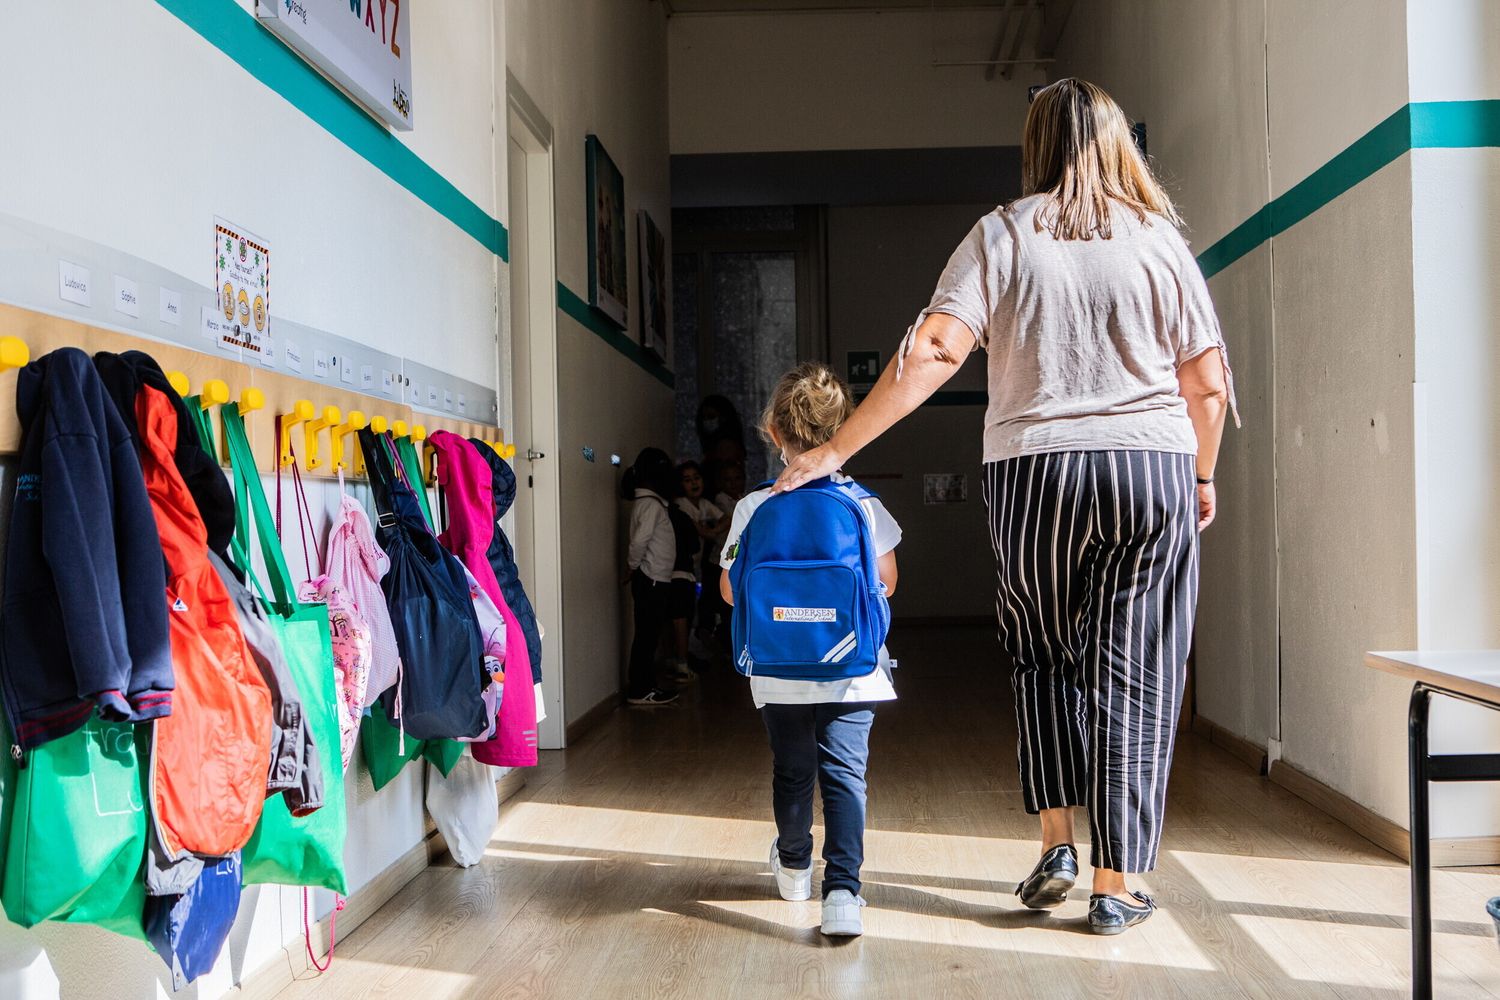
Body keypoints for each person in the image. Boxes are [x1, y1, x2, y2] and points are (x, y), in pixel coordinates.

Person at [774, 78, 1236, 935]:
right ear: (1116, 146)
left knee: (1042, 654)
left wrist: (834, 450)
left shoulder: (1001, 233)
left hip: (1034, 474)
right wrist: (1201, 476)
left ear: (1035, 146)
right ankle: (1116, 883)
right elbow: (1205, 384)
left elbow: (935, 351)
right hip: (1150, 469)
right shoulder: (1160, 243)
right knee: (1139, 675)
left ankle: (1058, 840)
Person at [720, 362, 901, 938]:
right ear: (842, 428)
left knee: (793, 771)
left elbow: (729, 590)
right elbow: (888, 582)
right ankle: (843, 890)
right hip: (852, 667)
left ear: (773, 431)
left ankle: (795, 866)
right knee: (845, 775)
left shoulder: (754, 507)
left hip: (777, 669)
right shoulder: (862, 503)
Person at [620, 448, 680, 707]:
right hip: (650, 578)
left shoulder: (650, 503)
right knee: (647, 634)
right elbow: (639, 541)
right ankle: (640, 688)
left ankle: (645, 685)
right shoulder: (650, 505)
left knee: (649, 634)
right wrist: (632, 566)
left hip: (655, 577)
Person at [668, 461, 726, 680]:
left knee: (684, 611)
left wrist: (712, 531)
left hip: (691, 566)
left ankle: (679, 658)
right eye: (687, 479)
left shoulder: (703, 503)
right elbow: (700, 531)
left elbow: (725, 518)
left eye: (696, 477)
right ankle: (679, 660)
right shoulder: (681, 504)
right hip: (677, 566)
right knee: (680, 613)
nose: (693, 482)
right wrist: (711, 533)